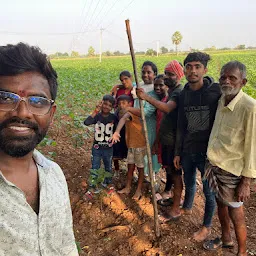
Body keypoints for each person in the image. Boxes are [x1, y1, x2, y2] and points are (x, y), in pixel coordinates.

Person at [0, 42, 78, 255]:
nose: (23, 112)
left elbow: (66, 245)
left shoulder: (54, 174)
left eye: (37, 101)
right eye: (5, 98)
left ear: (51, 114)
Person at [203, 61, 256, 256]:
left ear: (243, 81)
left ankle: (242, 252)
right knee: (221, 205)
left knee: (237, 214)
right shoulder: (221, 100)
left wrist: (246, 181)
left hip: (233, 172)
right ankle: (226, 240)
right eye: (223, 76)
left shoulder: (250, 108)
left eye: (232, 78)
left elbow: (252, 146)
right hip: (215, 165)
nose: (226, 81)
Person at [173, 52, 221, 242]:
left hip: (207, 153)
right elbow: (180, 125)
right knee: (189, 181)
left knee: (209, 191)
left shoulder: (215, 91)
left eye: (197, 67)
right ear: (184, 70)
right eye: (189, 67)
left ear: (204, 70)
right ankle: (187, 206)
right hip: (187, 149)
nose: (192, 71)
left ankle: (206, 226)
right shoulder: (184, 95)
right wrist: (177, 151)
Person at [137, 60, 184, 220]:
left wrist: (145, 97)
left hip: (174, 142)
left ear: (178, 75)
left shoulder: (178, 91)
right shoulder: (171, 91)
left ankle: (176, 209)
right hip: (167, 140)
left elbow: (166, 108)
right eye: (166, 73)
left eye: (171, 74)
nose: (167, 77)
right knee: (170, 171)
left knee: (176, 175)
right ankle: (173, 200)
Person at [111, 95, 146, 200]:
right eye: (120, 103)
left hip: (139, 145)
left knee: (140, 168)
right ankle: (128, 187)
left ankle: (139, 190)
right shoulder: (121, 113)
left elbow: (124, 119)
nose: (122, 105)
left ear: (130, 104)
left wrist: (117, 131)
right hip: (131, 145)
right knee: (130, 167)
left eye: (124, 103)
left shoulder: (131, 113)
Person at [84, 95, 117, 185]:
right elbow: (86, 122)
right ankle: (93, 184)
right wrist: (96, 111)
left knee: (108, 167)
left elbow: (118, 130)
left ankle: (108, 183)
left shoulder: (114, 118)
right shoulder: (97, 116)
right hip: (97, 148)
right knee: (95, 166)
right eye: (105, 104)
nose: (106, 107)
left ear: (112, 108)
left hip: (108, 148)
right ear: (101, 103)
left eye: (109, 105)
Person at [112, 71, 134, 175]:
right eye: (122, 80)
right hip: (118, 120)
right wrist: (116, 86)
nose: (124, 82)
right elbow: (114, 103)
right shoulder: (119, 90)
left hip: (130, 122)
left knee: (129, 146)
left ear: (131, 78)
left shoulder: (135, 89)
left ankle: (131, 171)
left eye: (126, 79)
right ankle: (116, 169)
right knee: (116, 144)